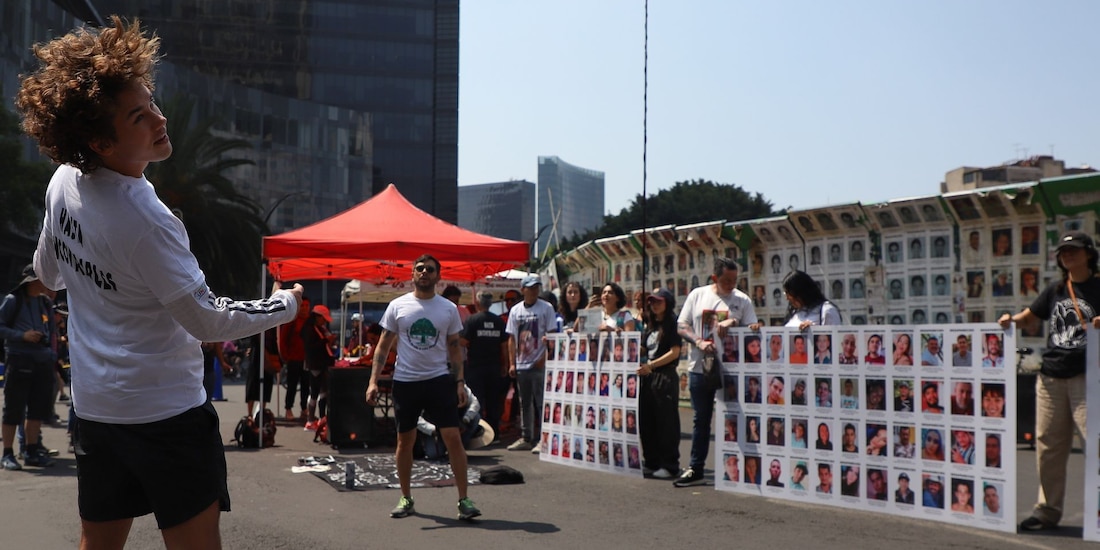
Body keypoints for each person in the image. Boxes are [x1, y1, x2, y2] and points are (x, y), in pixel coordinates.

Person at [17, 18, 304, 546]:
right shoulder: (149, 221)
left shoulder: (63, 182)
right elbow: (206, 319)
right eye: (139, 115)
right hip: (165, 415)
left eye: (152, 102)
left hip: (97, 411)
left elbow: (48, 274)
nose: (160, 118)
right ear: (101, 140)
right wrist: (284, 304)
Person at [365, 254, 481, 521]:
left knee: (452, 437)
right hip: (406, 381)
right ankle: (406, 497)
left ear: (438, 276)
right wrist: (372, 381)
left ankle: (464, 500)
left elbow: (455, 350)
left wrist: (460, 383)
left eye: (430, 269)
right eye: (420, 269)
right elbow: (382, 347)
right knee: (405, 441)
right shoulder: (397, 306)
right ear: (412, 274)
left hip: (439, 380)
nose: (424, 272)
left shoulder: (448, 309)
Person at [1000, 231, 1100, 531]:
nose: (1067, 255)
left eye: (1074, 250)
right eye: (1063, 251)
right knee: (1048, 446)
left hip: (1089, 377)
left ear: (1089, 254)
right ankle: (1047, 510)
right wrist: (1011, 320)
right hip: (1051, 377)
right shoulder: (1056, 289)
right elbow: (1031, 316)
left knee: (1095, 443)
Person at [674, 258, 759, 487]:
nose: (731, 285)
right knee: (700, 419)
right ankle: (696, 467)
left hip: (732, 369)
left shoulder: (742, 300)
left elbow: (753, 329)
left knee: (736, 417)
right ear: (714, 278)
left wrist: (735, 321)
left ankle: (745, 468)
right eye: (726, 281)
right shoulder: (698, 295)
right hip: (701, 368)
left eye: (734, 280)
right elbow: (682, 325)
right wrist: (699, 341)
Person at [0, 265, 60, 470]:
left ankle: (31, 450)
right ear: (33, 281)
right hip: (19, 360)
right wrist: (21, 336)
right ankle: (7, 453)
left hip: (42, 362)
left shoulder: (45, 303)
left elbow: (51, 332)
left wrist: (51, 355)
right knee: (13, 409)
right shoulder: (13, 300)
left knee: (36, 410)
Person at [503, 275, 558, 453]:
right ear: (523, 290)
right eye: (531, 287)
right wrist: (512, 363)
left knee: (542, 402)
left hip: (539, 363)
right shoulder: (516, 311)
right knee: (524, 402)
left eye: (537, 287)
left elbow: (552, 334)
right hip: (521, 364)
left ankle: (544, 438)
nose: (534, 290)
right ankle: (527, 437)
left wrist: (545, 358)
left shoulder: (546, 308)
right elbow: (511, 338)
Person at [636, 287, 683, 479]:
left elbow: (675, 351)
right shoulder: (651, 325)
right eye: (652, 302)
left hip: (665, 375)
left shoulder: (672, 323)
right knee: (647, 420)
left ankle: (670, 464)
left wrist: (651, 365)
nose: (654, 305)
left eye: (659, 301)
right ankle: (651, 461)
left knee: (666, 423)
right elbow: (646, 349)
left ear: (667, 303)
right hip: (648, 377)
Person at [462, 291, 509, 440]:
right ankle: (495, 432)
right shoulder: (498, 321)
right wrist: (505, 365)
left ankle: (479, 432)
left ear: (477, 303)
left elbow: (463, 341)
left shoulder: (472, 320)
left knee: (477, 401)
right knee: (493, 401)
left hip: (476, 367)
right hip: (494, 367)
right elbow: (504, 346)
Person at [415, 384, 490, 460]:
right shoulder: (424, 388)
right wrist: (432, 429)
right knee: (433, 455)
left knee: (476, 417)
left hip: (458, 423)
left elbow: (475, 403)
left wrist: (466, 419)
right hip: (434, 427)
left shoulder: (458, 385)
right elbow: (416, 417)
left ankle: (459, 446)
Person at [302, 304, 336, 430]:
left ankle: (322, 418)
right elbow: (311, 347)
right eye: (323, 318)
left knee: (323, 392)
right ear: (317, 317)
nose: (324, 321)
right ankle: (310, 420)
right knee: (315, 392)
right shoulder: (309, 329)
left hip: (322, 363)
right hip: (315, 363)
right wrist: (326, 340)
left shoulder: (319, 328)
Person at [278, 296, 311, 422]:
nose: (305, 309)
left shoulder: (310, 321)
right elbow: (283, 338)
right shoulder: (292, 320)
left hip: (306, 360)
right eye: (302, 306)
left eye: (307, 306)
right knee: (292, 385)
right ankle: (288, 408)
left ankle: (304, 409)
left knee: (305, 385)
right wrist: (285, 356)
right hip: (293, 358)